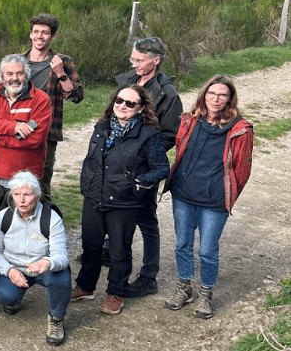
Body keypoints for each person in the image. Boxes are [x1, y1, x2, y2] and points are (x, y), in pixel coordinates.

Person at [71, 85, 169, 316]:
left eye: (130, 103)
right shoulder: (102, 127)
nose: (123, 106)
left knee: (119, 250)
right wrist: (86, 181)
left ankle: (116, 292)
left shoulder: (148, 135)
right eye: (119, 100)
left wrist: (139, 181)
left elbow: (162, 168)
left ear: (141, 108)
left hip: (124, 202)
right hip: (94, 196)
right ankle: (85, 286)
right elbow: (91, 159)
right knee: (91, 246)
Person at [163, 75, 253, 319]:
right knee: (182, 243)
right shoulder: (189, 120)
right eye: (211, 93)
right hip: (183, 194)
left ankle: (206, 293)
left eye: (222, 95)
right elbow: (180, 149)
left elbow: (242, 171)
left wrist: (227, 194)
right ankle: (184, 287)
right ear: (204, 95)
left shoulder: (240, 129)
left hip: (214, 200)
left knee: (207, 250)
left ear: (230, 99)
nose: (216, 99)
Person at [115, 36, 182, 298]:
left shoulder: (168, 94)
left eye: (139, 60)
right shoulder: (128, 82)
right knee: (115, 209)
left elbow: (170, 134)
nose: (134, 64)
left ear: (156, 61)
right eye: (133, 58)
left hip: (145, 166)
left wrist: (141, 153)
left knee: (146, 220)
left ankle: (148, 275)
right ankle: (111, 251)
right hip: (117, 161)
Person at [0, 171, 71, 346]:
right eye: (17, 194)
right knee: (4, 295)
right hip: (15, 267)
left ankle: (56, 319)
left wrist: (48, 262)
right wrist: (9, 270)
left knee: (61, 279)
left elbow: (62, 256)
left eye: (27, 194)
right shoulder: (4, 217)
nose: (22, 200)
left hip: (43, 267)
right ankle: (13, 300)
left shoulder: (51, 218)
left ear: (38, 195)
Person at [0, 54, 52, 225]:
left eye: (19, 73)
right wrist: (12, 127)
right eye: (9, 74)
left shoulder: (40, 100)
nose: (14, 78)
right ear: (2, 76)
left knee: (20, 224)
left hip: (26, 176)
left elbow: (35, 139)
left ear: (27, 75)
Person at [23, 13, 83, 202]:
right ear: (31, 34)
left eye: (45, 33)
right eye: (36, 32)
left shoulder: (62, 61)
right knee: (13, 178)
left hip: (46, 131)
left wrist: (60, 74)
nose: (39, 36)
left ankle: (44, 217)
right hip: (16, 128)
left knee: (41, 182)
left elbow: (77, 96)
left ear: (53, 36)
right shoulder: (17, 61)